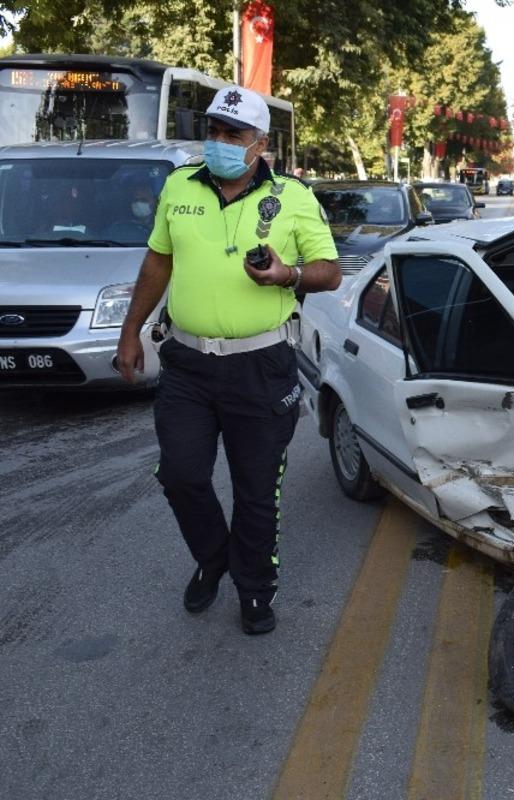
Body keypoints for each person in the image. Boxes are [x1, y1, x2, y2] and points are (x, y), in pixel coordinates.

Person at [115, 87, 341, 635]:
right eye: (213, 130)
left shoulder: (292, 196)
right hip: (187, 365)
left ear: (260, 143)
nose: (218, 141)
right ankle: (214, 556)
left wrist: (287, 274)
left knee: (256, 490)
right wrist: (130, 330)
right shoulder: (179, 185)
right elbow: (157, 262)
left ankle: (255, 589)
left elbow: (330, 272)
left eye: (232, 134)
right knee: (180, 474)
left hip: (261, 366)